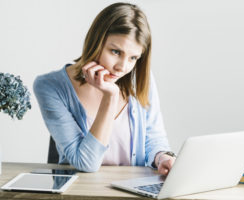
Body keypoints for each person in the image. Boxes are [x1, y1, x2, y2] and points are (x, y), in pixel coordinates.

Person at [33, 2, 176, 175]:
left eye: (133, 58)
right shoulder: (50, 86)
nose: (122, 67)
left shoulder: (140, 79)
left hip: (131, 191)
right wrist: (111, 96)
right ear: (96, 42)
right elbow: (86, 163)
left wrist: (163, 157)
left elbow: (154, 138)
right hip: (80, 192)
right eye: (116, 52)